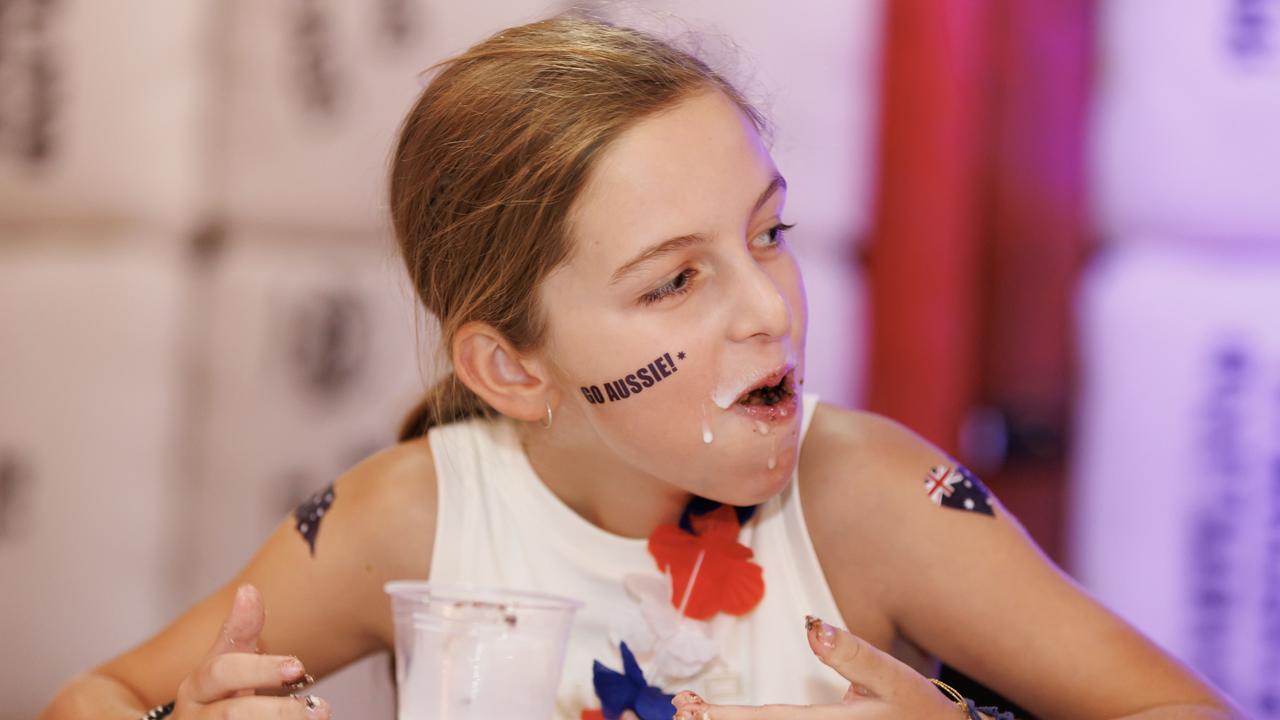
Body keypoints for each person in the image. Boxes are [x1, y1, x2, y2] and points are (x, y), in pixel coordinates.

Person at [40, 14, 1242, 720]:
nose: (765, 305)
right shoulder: (407, 517)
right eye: (673, 281)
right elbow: (95, 698)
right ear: (512, 370)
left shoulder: (873, 501)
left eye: (767, 234)